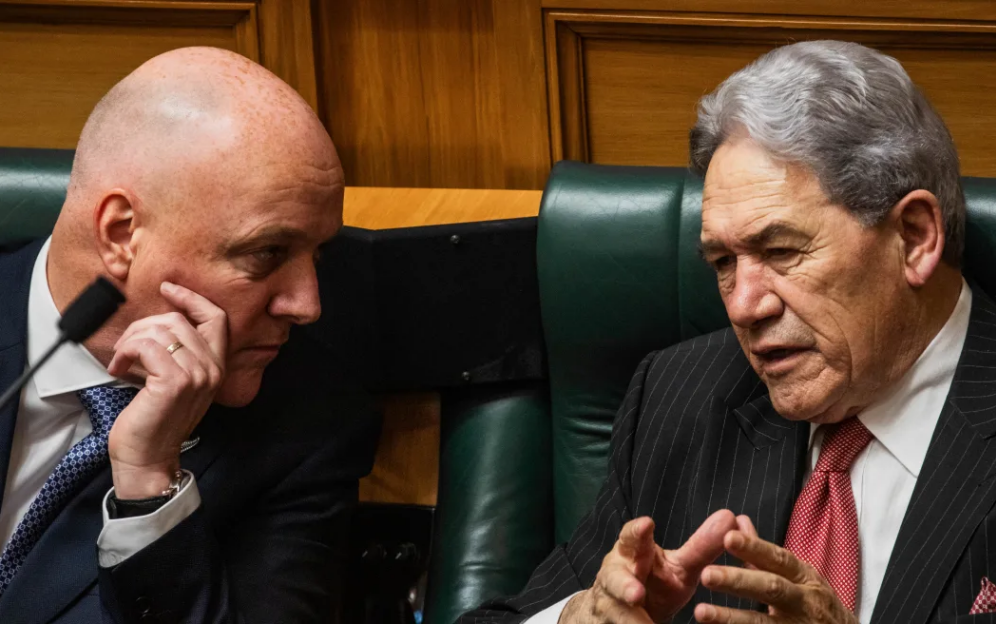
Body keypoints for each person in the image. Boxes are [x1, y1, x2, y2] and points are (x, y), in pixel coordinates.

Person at [459, 40, 994, 624]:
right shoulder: (680, 397)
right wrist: (580, 618)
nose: (743, 305)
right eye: (722, 263)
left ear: (914, 238)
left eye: (781, 250)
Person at [0, 47, 379, 622]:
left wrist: (151, 485)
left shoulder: (306, 424)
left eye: (318, 254)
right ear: (122, 232)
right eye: (266, 254)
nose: (307, 305)